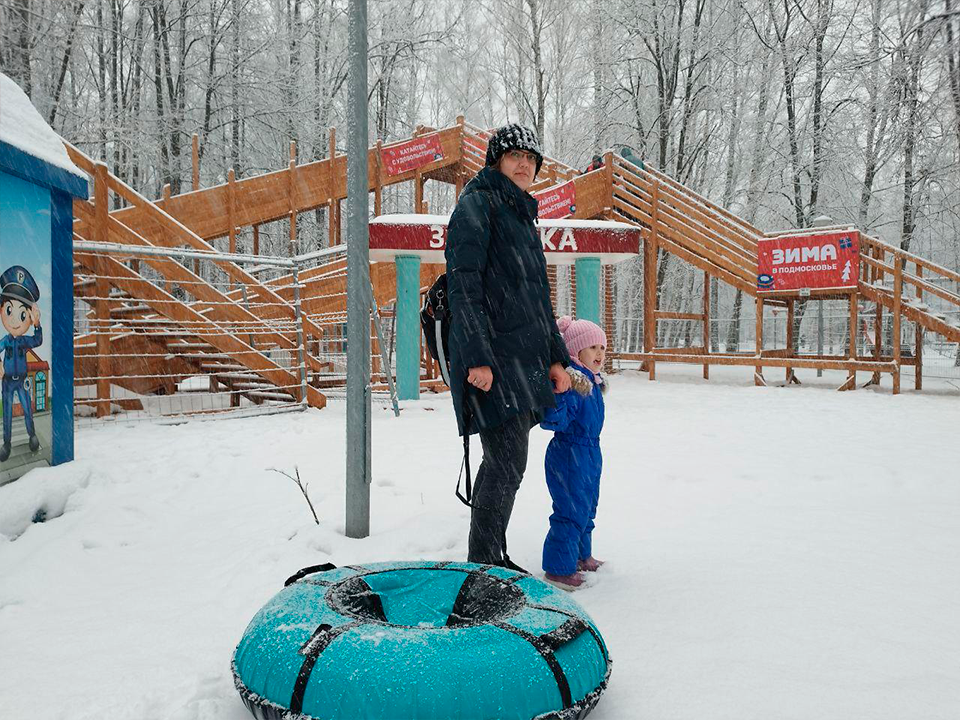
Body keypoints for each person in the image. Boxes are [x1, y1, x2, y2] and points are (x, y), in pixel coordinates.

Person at [445, 123, 572, 569]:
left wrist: (557, 357)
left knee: (509, 463)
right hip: (494, 360)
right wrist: (477, 356)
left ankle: (490, 556)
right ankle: (482, 563)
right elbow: (465, 289)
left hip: (522, 360)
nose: (524, 163)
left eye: (531, 158)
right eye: (515, 155)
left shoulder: (521, 215)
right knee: (504, 461)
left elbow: (538, 298)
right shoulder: (477, 206)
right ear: (496, 160)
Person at [540, 316, 607, 590]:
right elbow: (552, 420)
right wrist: (557, 397)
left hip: (590, 452)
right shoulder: (572, 384)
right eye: (592, 348)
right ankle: (558, 569)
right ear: (575, 351)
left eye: (602, 348)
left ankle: (581, 555)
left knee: (587, 506)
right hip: (569, 453)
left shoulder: (592, 383)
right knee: (570, 509)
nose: (599, 354)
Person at [0, 265, 43, 462]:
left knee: (27, 409)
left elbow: (37, 341)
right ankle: (6, 443)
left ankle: (32, 435)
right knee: (7, 412)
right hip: (7, 382)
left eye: (22, 314)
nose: (16, 320)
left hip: (23, 380)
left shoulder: (25, 341)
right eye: (9, 310)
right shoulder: (6, 341)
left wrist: (37, 325)